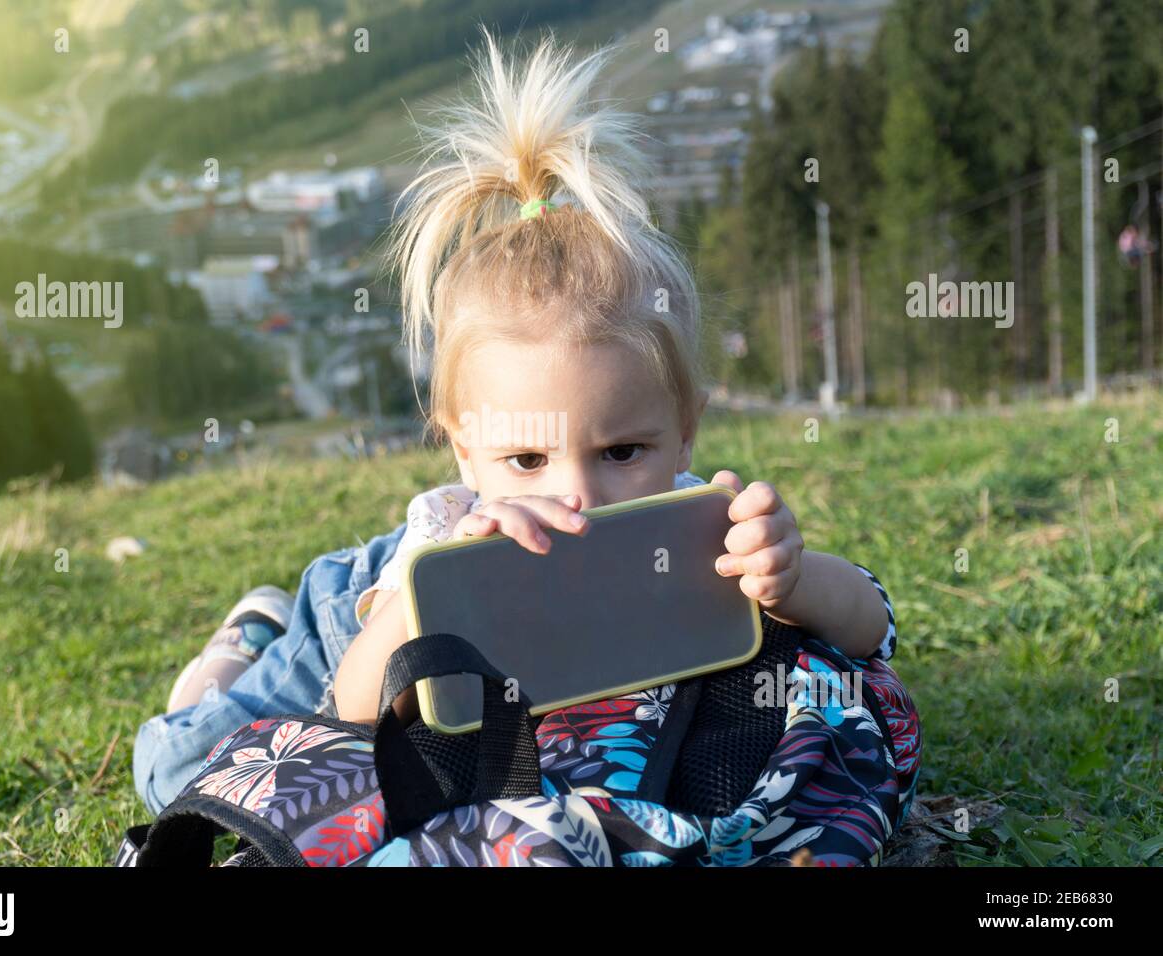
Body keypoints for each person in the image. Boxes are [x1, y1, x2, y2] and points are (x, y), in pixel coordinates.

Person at [133, 27, 898, 813]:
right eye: (527, 460)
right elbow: (354, 713)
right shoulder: (449, 562)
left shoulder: (699, 533)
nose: (578, 499)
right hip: (351, 624)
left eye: (623, 450)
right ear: (463, 450)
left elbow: (871, 627)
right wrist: (418, 614)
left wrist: (796, 582)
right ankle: (244, 642)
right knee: (181, 776)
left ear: (687, 428)